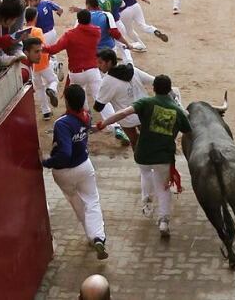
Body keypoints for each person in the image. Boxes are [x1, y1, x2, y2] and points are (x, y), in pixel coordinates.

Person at [97, 75, 191, 238]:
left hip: (143, 153)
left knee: (146, 174)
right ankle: (163, 222)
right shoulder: (177, 111)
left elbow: (124, 113)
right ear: (169, 90)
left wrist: (105, 123)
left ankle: (146, 201)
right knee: (163, 188)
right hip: (163, 156)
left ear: (153, 88)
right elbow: (189, 131)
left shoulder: (146, 103)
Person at [43, 9, 131, 147]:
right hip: (92, 70)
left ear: (77, 20)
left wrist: (43, 48)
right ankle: (116, 128)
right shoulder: (96, 31)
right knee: (101, 100)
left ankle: (84, 122)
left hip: (76, 73)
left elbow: (54, 49)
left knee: (79, 99)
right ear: (89, 19)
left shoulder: (69, 35)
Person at [41, 84, 109, 260]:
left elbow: (64, 153)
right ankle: (98, 236)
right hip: (84, 166)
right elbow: (88, 130)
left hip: (63, 172)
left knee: (76, 201)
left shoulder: (62, 124)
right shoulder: (86, 117)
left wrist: (47, 163)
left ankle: (90, 235)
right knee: (92, 201)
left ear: (68, 102)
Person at [94, 48, 158, 152]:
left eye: (100, 63)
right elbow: (154, 81)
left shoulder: (107, 81)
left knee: (134, 141)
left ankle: (142, 163)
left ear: (109, 62)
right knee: (152, 139)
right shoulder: (133, 70)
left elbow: (98, 106)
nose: (98, 66)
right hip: (145, 112)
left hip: (127, 119)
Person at [24, 7, 59, 120]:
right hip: (42, 61)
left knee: (39, 88)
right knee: (53, 80)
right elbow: (42, 46)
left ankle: (46, 112)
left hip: (32, 65)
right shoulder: (37, 30)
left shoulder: (23, 31)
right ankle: (52, 89)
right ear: (35, 17)